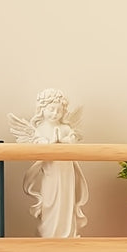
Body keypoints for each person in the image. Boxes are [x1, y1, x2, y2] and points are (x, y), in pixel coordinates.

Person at [9, 89, 89, 238]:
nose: (54, 113)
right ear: (42, 110)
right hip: (50, 171)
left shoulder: (66, 128)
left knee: (66, 201)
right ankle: (49, 234)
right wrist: (51, 143)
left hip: (66, 171)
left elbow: (73, 142)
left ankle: (68, 234)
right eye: (51, 109)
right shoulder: (40, 129)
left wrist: (63, 140)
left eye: (58, 110)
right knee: (50, 201)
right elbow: (38, 147)